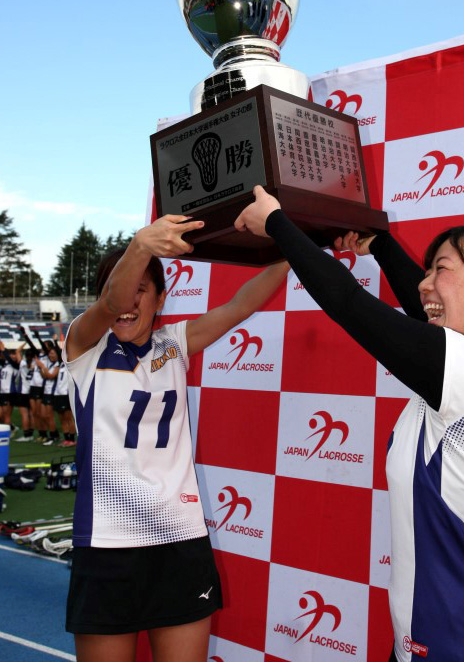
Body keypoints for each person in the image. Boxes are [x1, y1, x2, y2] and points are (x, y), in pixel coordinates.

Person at [235, 184, 464, 662]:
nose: (424, 283)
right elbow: (423, 315)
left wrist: (276, 223)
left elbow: (353, 308)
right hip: (426, 638)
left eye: (442, 270)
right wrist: (379, 245)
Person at [63, 214, 288, 662]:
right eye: (120, 290)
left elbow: (241, 305)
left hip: (179, 541)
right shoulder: (84, 348)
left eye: (141, 291)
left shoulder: (173, 345)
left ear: (161, 298)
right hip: (109, 546)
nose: (128, 302)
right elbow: (111, 305)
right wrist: (140, 246)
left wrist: (299, 248)